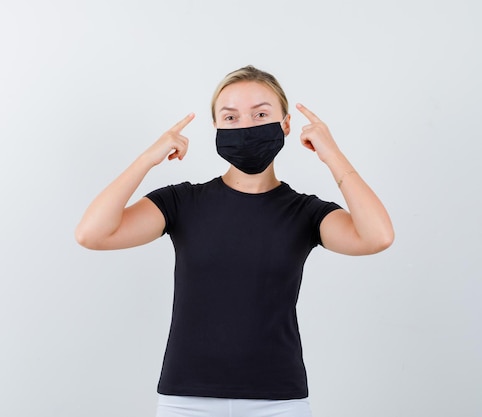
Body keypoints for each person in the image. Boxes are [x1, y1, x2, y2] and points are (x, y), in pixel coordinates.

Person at [75, 65, 394, 417]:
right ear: (216, 128)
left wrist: (331, 153)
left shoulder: (305, 213)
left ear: (285, 125)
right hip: (187, 399)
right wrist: (147, 159)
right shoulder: (181, 203)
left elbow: (377, 236)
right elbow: (92, 234)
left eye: (260, 114)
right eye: (231, 117)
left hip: (278, 401)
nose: (246, 126)